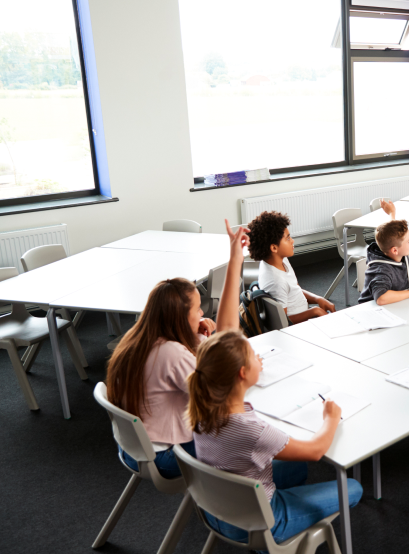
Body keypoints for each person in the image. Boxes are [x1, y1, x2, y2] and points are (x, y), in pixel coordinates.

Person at [186, 330, 362, 545]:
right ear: (242, 373)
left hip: (215, 509)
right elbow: (316, 451)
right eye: (253, 355)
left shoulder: (202, 407)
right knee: (353, 487)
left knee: (297, 467)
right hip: (261, 524)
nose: (258, 358)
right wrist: (331, 418)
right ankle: (274, 540)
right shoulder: (252, 430)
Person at [105, 220, 248, 478]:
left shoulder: (138, 337)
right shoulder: (172, 353)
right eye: (197, 309)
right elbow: (220, 392)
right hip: (163, 457)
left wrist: (196, 337)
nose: (203, 313)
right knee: (243, 437)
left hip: (132, 447)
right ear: (179, 317)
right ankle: (234, 500)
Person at [247, 211, 335, 323]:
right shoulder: (276, 282)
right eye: (288, 238)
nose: (292, 241)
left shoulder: (279, 260)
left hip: (306, 314)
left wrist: (317, 299)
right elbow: (282, 322)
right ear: (274, 248)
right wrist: (314, 312)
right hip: (298, 327)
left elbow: (295, 289)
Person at [358, 199, 409, 305]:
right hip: (375, 311)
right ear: (394, 250)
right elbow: (381, 298)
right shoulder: (382, 270)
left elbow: (393, 234)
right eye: (408, 241)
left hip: (394, 305)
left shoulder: (392, 249)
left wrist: (392, 214)